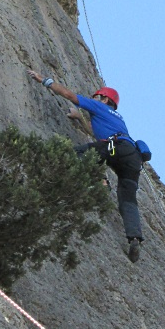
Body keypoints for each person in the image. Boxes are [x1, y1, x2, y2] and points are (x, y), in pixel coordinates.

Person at [28, 69, 144, 263]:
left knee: (79, 153)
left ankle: (101, 181)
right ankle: (134, 238)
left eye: (96, 96)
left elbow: (69, 95)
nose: (93, 98)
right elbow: (96, 135)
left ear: (104, 99)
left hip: (116, 147)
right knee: (127, 200)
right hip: (132, 158)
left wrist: (44, 80)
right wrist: (80, 118)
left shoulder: (99, 106)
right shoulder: (117, 118)